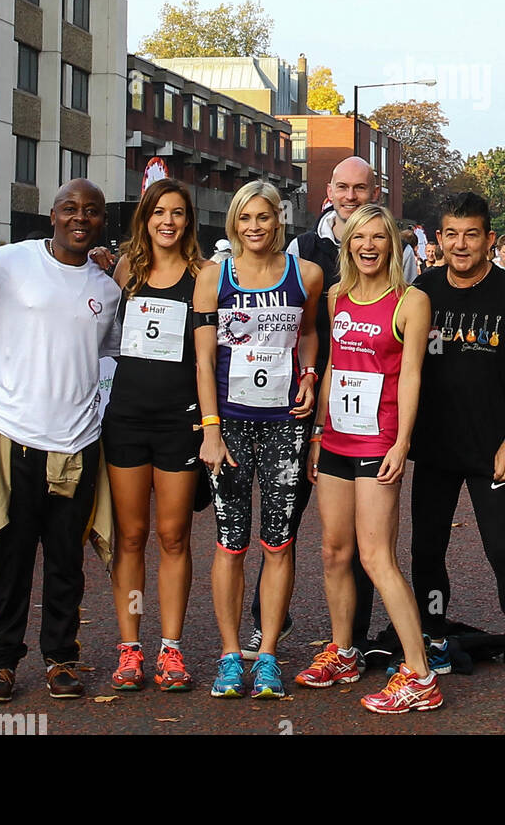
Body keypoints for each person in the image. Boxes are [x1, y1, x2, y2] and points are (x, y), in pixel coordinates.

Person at [0, 183, 122, 702]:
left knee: (66, 562)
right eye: (69, 210)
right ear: (53, 215)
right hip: (11, 439)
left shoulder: (107, 290)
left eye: (91, 212)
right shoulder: (7, 262)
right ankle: (0, 664)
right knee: (10, 558)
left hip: (78, 444)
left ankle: (62, 660)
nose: (79, 219)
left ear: (103, 221)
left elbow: (115, 350)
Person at [410, 191, 505, 711]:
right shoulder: (420, 291)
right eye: (451, 233)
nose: (461, 244)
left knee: (503, 551)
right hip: (434, 448)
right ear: (439, 238)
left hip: (493, 449)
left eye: (472, 234)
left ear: (490, 239)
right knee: (426, 551)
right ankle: (434, 639)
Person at [298, 205, 442, 713]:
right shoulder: (335, 296)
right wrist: (317, 431)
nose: (370, 245)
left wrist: (403, 442)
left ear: (393, 246)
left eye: (380, 237)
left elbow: (412, 376)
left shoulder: (412, 301)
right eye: (361, 236)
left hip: (379, 442)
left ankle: (420, 673)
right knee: (334, 552)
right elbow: (336, 362)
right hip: (336, 438)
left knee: (376, 557)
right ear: (348, 242)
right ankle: (343, 651)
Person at [247, 157, 376, 656]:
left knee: (361, 535)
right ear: (329, 190)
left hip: (366, 408)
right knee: (285, 517)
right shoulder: (303, 246)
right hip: (304, 402)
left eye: (360, 188)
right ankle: (265, 623)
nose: (351, 196)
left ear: (374, 191)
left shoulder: (391, 246)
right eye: (342, 187)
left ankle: (354, 638)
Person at [204, 181, 323, 701]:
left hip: (284, 425)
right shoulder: (214, 276)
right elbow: (203, 359)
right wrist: (209, 429)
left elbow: (311, 332)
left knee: (279, 542)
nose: (255, 227)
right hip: (230, 425)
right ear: (235, 222)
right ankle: (231, 656)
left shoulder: (308, 275)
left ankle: (269, 652)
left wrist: (311, 373)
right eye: (245, 217)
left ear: (280, 220)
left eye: (265, 217)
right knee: (231, 543)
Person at [101, 179, 217, 692]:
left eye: (178, 213)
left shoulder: (204, 276)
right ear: (145, 218)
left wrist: (210, 427)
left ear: (188, 221)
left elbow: (208, 361)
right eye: (158, 213)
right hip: (126, 419)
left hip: (178, 423)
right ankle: (130, 648)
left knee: (173, 537)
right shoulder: (126, 271)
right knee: (129, 536)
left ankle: (171, 649)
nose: (168, 221)